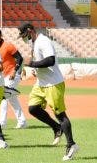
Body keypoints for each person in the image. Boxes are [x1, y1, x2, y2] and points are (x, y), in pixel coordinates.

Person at [18, 23, 78, 161]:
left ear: (29, 31)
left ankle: (71, 144)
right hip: (41, 83)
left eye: (23, 35)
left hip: (53, 84)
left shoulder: (43, 41)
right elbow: (39, 61)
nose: (23, 38)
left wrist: (32, 64)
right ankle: (57, 128)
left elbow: (50, 60)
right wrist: (35, 69)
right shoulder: (34, 42)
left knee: (61, 115)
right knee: (33, 108)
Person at [0, 27, 27, 129]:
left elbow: (20, 58)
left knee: (3, 96)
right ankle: (22, 121)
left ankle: (2, 123)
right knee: (12, 99)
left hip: (13, 74)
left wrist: (15, 71)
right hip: (3, 76)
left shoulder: (8, 46)